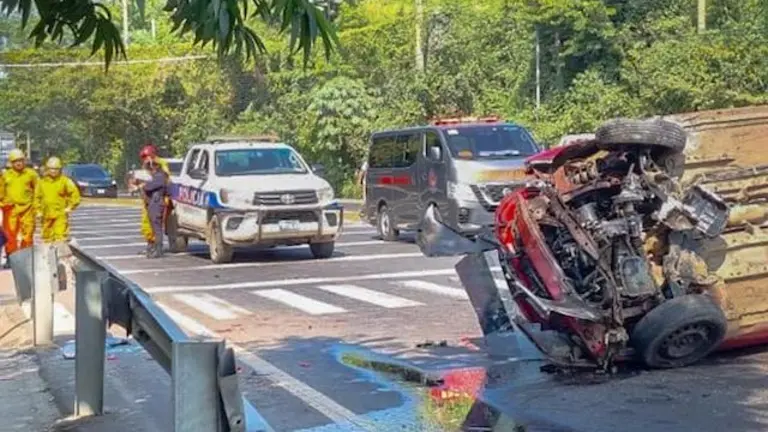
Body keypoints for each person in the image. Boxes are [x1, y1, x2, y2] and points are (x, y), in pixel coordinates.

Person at [0, 149, 38, 256]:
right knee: (10, 234)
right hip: (10, 209)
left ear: (24, 161)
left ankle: (26, 255)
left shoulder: (31, 174)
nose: (18, 163)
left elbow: (38, 191)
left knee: (28, 234)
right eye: (15, 161)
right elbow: (1, 192)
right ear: (11, 163)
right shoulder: (5, 176)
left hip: (28, 209)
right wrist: (2, 204)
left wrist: (37, 207)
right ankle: (11, 256)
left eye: (20, 160)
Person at [35, 156, 81, 244]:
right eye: (51, 168)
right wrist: (38, 211)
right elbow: (36, 197)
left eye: (56, 169)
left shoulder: (65, 181)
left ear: (60, 169)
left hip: (60, 215)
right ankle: (49, 252)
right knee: (47, 238)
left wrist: (70, 207)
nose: (53, 171)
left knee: (60, 238)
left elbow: (75, 194)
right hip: (46, 215)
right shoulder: (42, 182)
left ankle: (60, 252)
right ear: (47, 169)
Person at [141, 153, 169, 258]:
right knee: (154, 227)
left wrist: (144, 185)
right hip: (154, 203)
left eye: (151, 166)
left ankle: (158, 250)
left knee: (157, 228)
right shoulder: (157, 176)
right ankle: (155, 249)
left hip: (157, 202)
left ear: (156, 166)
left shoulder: (160, 176)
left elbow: (148, 187)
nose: (150, 169)